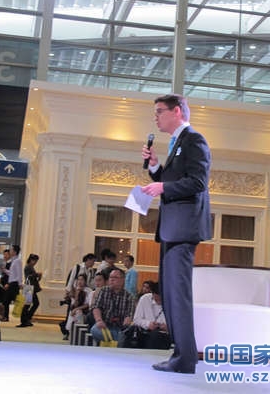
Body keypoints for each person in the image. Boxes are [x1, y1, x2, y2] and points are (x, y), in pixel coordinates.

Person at [141, 93, 211, 374]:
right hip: (172, 229)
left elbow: (197, 182)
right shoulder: (177, 143)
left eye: (160, 111)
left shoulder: (194, 140)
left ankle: (185, 358)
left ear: (177, 111)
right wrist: (156, 167)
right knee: (170, 294)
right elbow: (172, 180)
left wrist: (163, 187)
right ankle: (180, 354)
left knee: (178, 295)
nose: (156, 116)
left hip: (183, 229)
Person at [91, 268, 135, 343]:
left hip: (119, 327)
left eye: (115, 277)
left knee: (126, 334)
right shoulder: (103, 291)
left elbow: (129, 314)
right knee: (94, 330)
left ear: (122, 280)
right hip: (104, 325)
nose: (111, 279)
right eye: (110, 277)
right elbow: (96, 307)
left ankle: (114, 341)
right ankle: (116, 341)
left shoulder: (129, 296)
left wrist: (127, 319)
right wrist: (99, 320)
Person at [132, 281, 171, 350]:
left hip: (164, 336)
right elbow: (136, 320)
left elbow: (179, 326)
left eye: (161, 300)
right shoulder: (145, 298)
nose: (158, 302)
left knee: (156, 337)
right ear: (152, 293)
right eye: (156, 299)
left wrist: (168, 327)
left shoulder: (173, 302)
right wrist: (148, 324)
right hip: (145, 333)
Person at [18, 253, 42, 328]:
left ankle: (26, 319)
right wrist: (37, 274)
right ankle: (25, 320)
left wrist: (37, 276)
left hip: (29, 288)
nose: (35, 262)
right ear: (31, 260)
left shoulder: (30, 267)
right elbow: (29, 277)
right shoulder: (28, 267)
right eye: (34, 260)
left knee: (31, 304)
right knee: (28, 305)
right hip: (28, 288)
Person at [2, 244, 22, 321]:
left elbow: (19, 273)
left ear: (15, 252)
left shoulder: (17, 261)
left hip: (14, 284)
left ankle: (24, 317)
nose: (10, 251)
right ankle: (6, 317)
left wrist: (20, 283)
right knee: (8, 301)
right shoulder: (14, 261)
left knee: (10, 301)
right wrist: (5, 270)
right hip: (12, 283)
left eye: (11, 250)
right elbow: (12, 273)